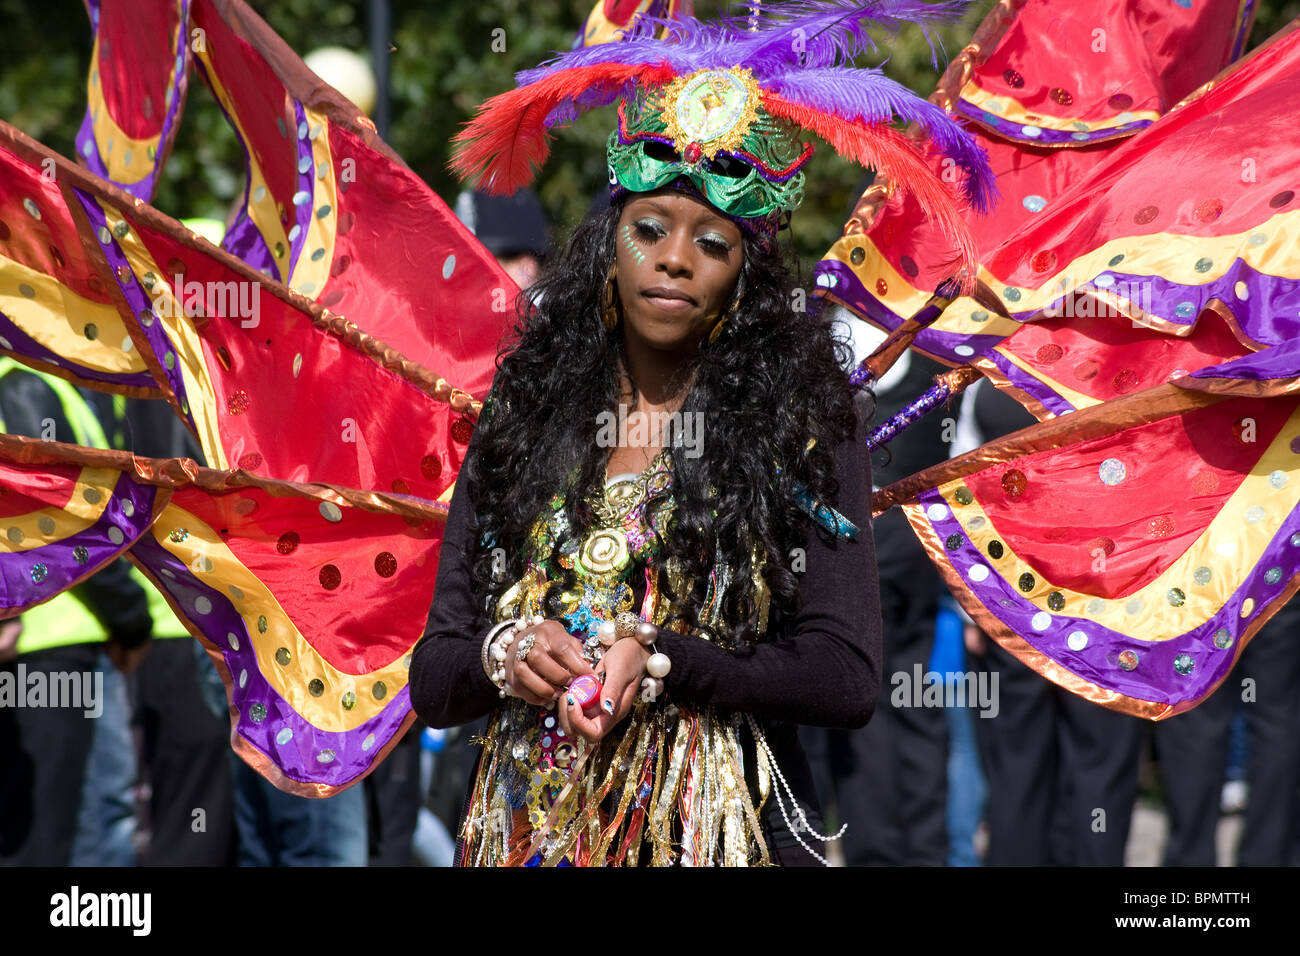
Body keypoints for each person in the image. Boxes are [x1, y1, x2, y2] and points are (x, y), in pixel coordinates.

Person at [410, 4, 992, 866]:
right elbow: (435, 671)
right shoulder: (527, 407)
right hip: (527, 836)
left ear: (744, 275)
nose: (674, 259)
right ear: (611, 242)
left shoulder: (804, 420)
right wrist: (509, 654)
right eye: (649, 230)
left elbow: (847, 675)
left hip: (722, 842)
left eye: (711, 242)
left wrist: (669, 664)